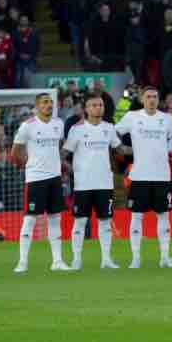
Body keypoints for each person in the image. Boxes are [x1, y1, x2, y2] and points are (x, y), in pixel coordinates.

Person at [116, 86, 172, 268]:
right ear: (142, 99)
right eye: (148, 96)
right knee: (136, 217)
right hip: (139, 175)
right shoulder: (132, 117)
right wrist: (122, 149)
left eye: (155, 96)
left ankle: (165, 257)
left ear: (158, 99)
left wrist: (164, 150)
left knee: (164, 216)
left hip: (161, 175)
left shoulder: (166, 118)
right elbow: (115, 131)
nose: (152, 99)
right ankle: (136, 258)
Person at [63, 92, 121, 270]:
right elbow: (64, 153)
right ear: (86, 109)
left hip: (105, 184)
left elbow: (120, 149)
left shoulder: (109, 128)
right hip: (83, 185)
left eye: (101, 105)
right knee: (80, 222)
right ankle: (77, 259)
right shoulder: (77, 129)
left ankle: (106, 259)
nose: (98, 108)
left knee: (105, 222)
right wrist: (66, 168)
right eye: (94, 105)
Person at [12, 92, 68, 273]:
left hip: (55, 177)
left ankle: (57, 261)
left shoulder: (58, 124)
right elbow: (16, 150)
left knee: (55, 218)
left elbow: (58, 147)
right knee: (30, 219)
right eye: (45, 102)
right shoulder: (27, 126)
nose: (49, 105)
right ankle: (22, 262)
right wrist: (23, 165)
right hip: (35, 178)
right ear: (37, 107)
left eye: (51, 102)